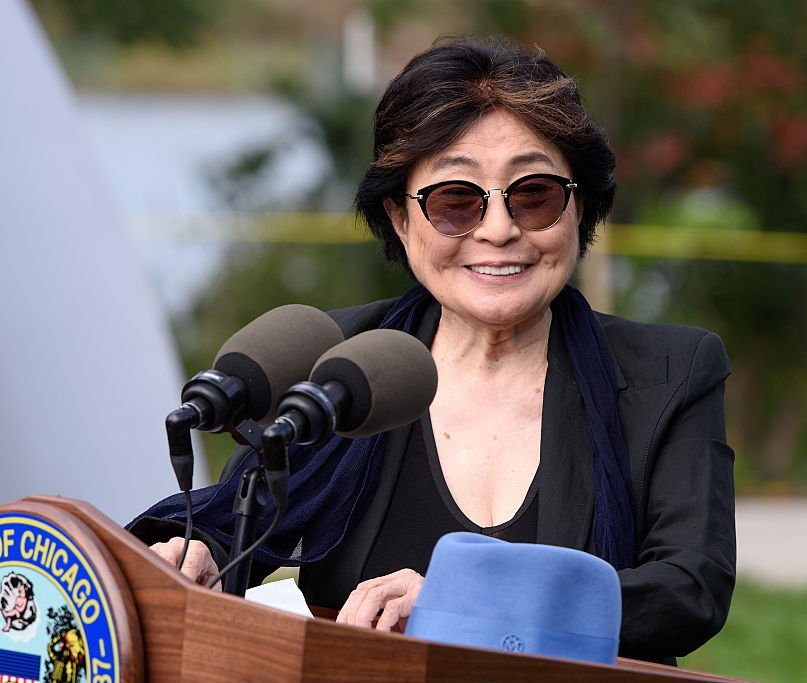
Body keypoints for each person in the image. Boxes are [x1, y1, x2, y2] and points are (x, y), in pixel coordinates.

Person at [129, 35, 736, 665]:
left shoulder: (670, 370)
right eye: (456, 201)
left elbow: (689, 592)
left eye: (534, 195)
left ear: (578, 207)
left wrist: (464, 606)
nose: (499, 229)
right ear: (399, 218)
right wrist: (199, 551)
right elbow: (237, 523)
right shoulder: (336, 363)